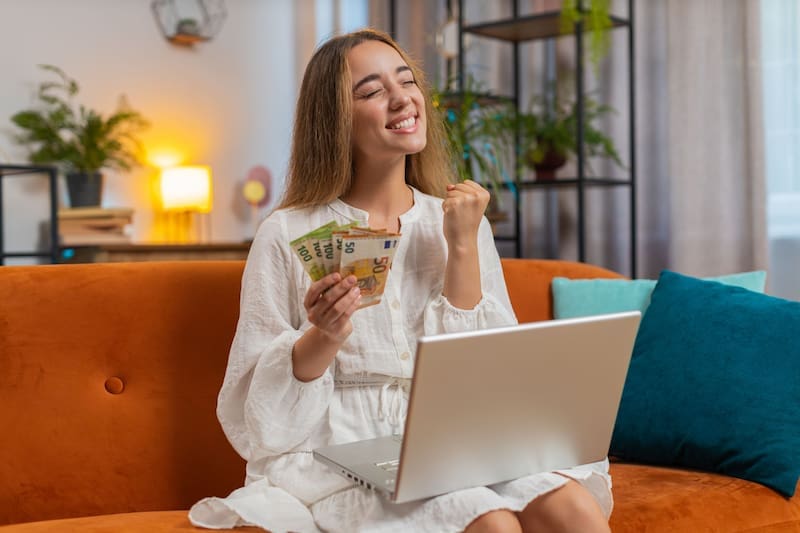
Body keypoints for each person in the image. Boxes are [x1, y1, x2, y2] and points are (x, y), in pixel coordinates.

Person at [189, 28, 612, 533]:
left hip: (455, 437)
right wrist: (323, 336)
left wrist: (460, 246)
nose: (401, 98)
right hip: (342, 450)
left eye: (406, 81)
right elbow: (261, 421)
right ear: (334, 120)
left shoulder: (457, 219)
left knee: (573, 509)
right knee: (491, 522)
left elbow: (486, 372)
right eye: (370, 91)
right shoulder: (287, 233)